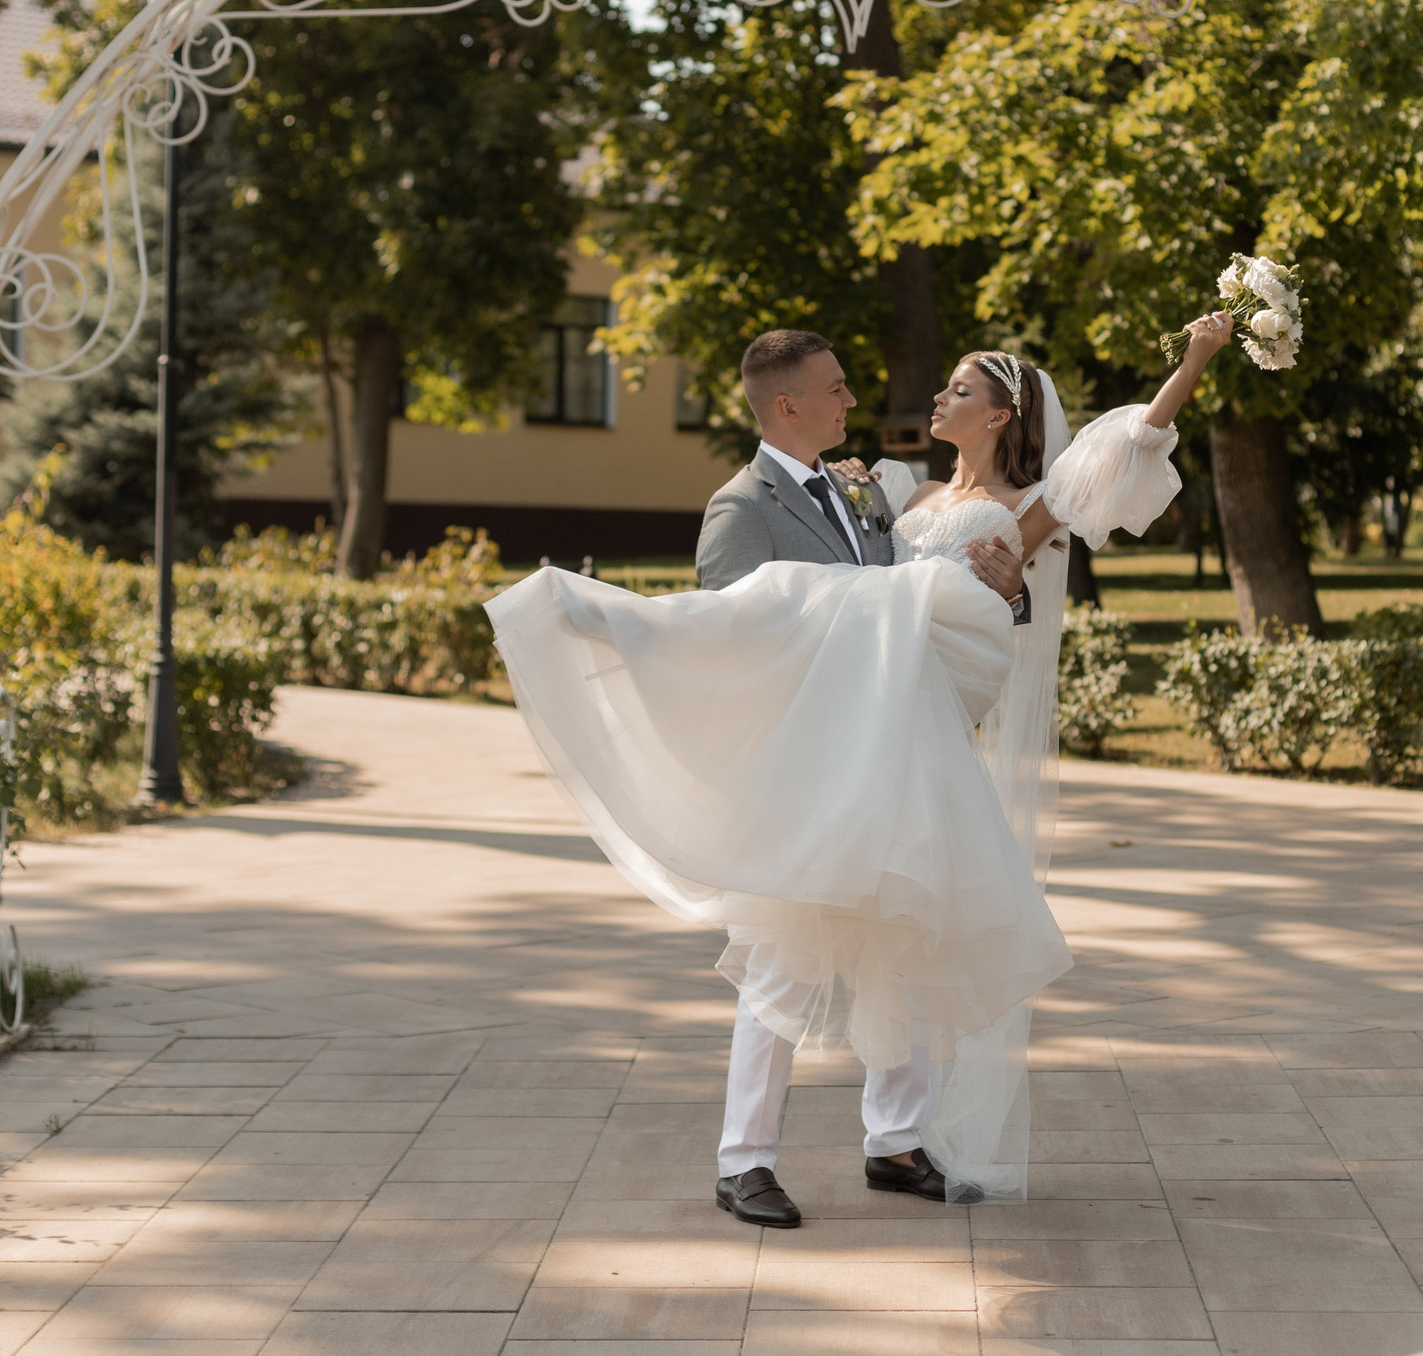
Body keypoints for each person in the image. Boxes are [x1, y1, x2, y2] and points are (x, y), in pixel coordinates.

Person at [483, 314, 1231, 1226]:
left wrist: (998, 588)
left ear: (1001, 417)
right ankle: (744, 1159)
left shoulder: (876, 493)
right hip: (811, 766)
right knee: (785, 956)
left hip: (907, 751)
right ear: (789, 400)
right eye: (835, 386)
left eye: (957, 390)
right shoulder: (746, 505)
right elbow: (733, 635)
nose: (857, 397)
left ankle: (894, 1141)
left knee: (907, 933)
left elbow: (1042, 525)